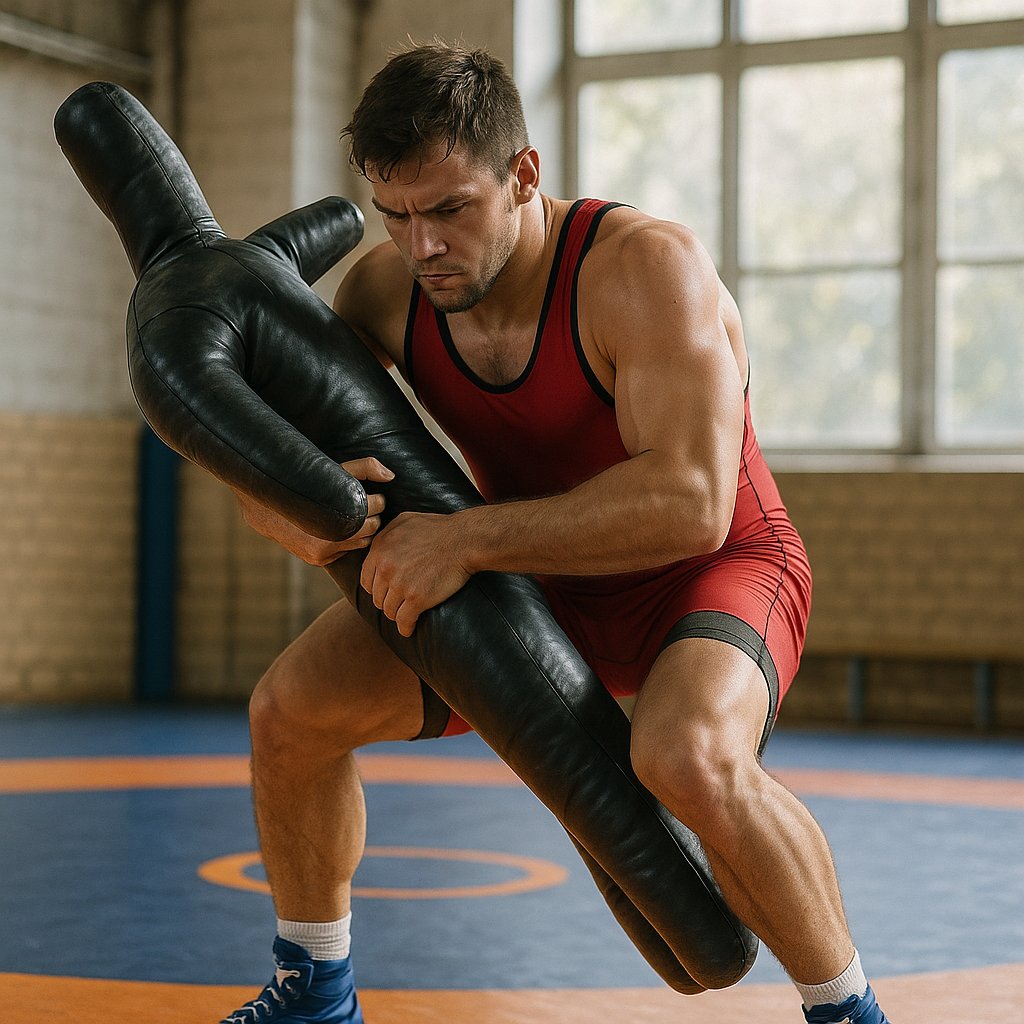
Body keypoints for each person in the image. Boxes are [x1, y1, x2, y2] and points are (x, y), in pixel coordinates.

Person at [221, 43, 891, 1024]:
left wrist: (463, 541)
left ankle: (851, 1014)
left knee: (687, 755)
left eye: (451, 208)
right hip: (535, 581)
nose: (424, 246)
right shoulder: (384, 292)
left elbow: (690, 501)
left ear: (522, 174)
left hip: (711, 571)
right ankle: (314, 994)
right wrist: (301, 511)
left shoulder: (641, 269)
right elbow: (269, 462)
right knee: (289, 714)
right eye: (396, 214)